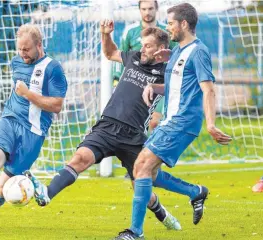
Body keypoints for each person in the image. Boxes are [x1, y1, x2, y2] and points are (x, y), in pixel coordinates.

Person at [26, 20, 211, 231]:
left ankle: (183, 199)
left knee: (145, 184)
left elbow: (183, 85)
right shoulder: (133, 57)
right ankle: (46, 194)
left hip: (133, 134)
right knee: (80, 158)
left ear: (160, 49)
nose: (142, 49)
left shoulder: (167, 70)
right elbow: (110, 52)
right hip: (107, 125)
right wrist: (106, 34)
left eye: (147, 46)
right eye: (142, 44)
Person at [113, 3, 233, 239]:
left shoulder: (198, 52)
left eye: (170, 23)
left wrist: (210, 124)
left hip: (183, 122)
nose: (167, 28)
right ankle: (195, 192)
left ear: (184, 24)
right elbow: (174, 86)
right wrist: (153, 86)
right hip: (170, 121)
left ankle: (135, 232)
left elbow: (208, 90)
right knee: (148, 173)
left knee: (142, 167)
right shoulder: (177, 51)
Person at [0, 23, 68, 228]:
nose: (22, 53)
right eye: (19, 49)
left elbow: (57, 106)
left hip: (33, 134)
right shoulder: (16, 62)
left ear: (39, 45)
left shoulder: (53, 68)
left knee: (3, 187)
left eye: (26, 49)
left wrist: (28, 94)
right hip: (9, 120)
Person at [113, 0, 178, 134]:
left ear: (156, 9)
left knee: (155, 122)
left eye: (150, 8)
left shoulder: (165, 32)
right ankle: (138, 152)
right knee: (130, 123)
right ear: (139, 10)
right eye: (144, 9)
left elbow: (176, 56)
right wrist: (116, 81)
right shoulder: (130, 32)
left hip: (158, 83)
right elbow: (119, 57)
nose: (147, 12)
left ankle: (151, 153)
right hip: (134, 83)